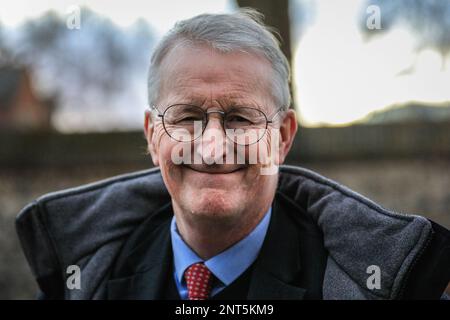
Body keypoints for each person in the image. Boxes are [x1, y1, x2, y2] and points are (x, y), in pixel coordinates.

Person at [16, 9, 450, 300]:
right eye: (186, 116)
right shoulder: (84, 281)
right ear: (152, 136)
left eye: (241, 118)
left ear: (282, 137)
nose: (212, 145)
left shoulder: (364, 285)